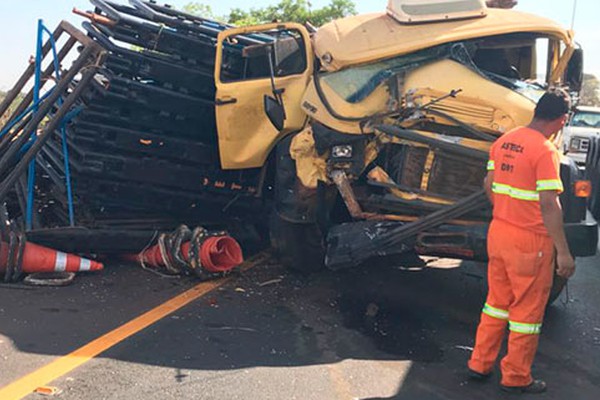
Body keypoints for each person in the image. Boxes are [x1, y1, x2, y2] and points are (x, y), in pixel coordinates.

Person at [467, 88, 576, 394]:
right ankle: (515, 377)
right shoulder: (545, 150)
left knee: (496, 303)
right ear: (562, 119)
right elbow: (548, 204)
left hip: (499, 231)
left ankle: (479, 362)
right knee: (526, 314)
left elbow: (488, 184)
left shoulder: (505, 140)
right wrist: (564, 253)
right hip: (529, 242)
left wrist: (506, 208)